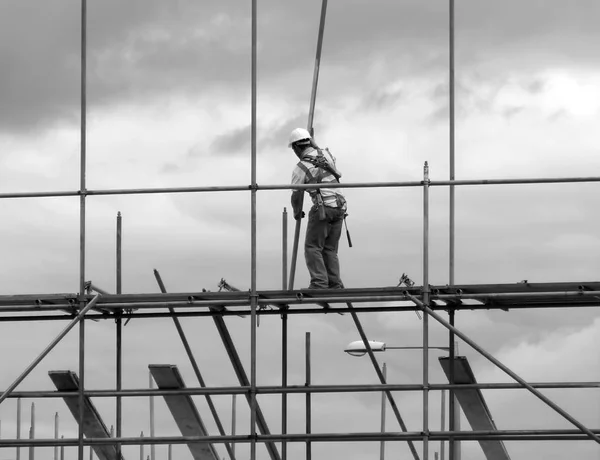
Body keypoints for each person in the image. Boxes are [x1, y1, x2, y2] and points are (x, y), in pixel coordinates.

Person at [288, 127, 347, 289]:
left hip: (323, 209)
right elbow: (319, 150)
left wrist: (296, 212)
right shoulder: (326, 155)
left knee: (313, 247)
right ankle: (335, 284)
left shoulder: (301, 167)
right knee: (329, 250)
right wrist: (313, 142)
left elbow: (296, 195)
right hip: (339, 207)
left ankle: (319, 283)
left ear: (295, 147)